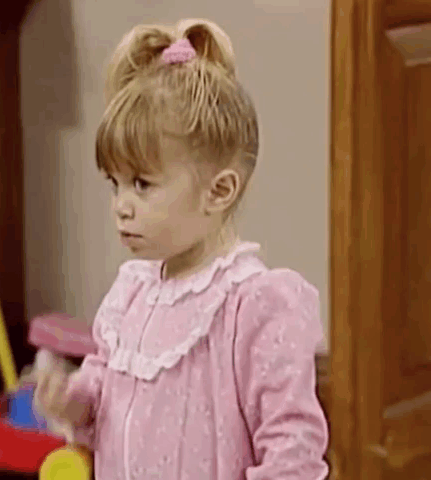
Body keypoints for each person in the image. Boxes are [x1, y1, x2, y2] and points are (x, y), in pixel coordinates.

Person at [35, 18, 329, 480]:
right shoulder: (132, 294)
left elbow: (293, 448)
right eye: (114, 184)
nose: (121, 206)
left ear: (219, 191)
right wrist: (74, 402)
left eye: (141, 184)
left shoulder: (253, 307)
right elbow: (106, 387)